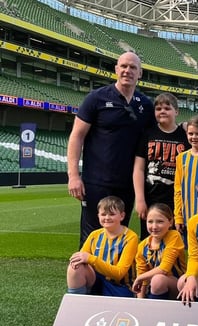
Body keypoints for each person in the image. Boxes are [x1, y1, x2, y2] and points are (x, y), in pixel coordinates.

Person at [67, 51, 155, 246]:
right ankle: (88, 276)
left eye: (133, 67)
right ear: (116, 69)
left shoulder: (146, 106)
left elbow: (159, 133)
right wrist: (73, 176)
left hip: (127, 184)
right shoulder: (96, 98)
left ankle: (113, 276)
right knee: (92, 238)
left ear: (140, 73)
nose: (127, 70)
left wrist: (184, 129)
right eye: (123, 66)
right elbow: (77, 136)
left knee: (119, 238)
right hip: (96, 182)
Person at [133, 92, 188, 239]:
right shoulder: (147, 134)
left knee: (175, 241)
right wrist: (140, 199)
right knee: (150, 240)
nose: (162, 111)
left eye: (167, 108)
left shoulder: (185, 136)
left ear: (176, 111)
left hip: (176, 199)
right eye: (158, 109)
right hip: (151, 196)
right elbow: (138, 168)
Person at [66, 196, 138, 297]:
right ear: (98, 216)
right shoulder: (94, 235)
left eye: (112, 214)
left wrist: (91, 259)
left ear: (122, 216)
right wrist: (76, 259)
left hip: (120, 286)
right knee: (76, 267)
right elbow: (81, 256)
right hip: (98, 280)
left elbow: (119, 273)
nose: (107, 218)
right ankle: (76, 304)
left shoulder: (130, 237)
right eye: (103, 214)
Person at [131, 203, 186, 299]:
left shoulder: (174, 236)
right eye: (150, 222)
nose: (154, 226)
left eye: (160, 222)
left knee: (158, 279)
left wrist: (140, 278)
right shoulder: (142, 246)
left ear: (170, 222)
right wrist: (140, 301)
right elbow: (142, 275)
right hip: (156, 288)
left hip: (179, 286)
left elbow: (164, 269)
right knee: (155, 282)